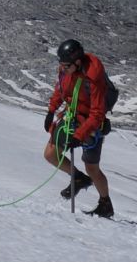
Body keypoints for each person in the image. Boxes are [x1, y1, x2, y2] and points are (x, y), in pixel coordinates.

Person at [44, 38, 114, 217]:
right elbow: (60, 90)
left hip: (91, 124)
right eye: (61, 65)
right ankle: (78, 178)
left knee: (92, 168)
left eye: (66, 65)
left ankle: (105, 204)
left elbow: (97, 114)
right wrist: (51, 110)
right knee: (51, 154)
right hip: (72, 117)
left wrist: (79, 135)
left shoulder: (93, 77)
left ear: (77, 62)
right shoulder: (66, 69)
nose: (62, 68)